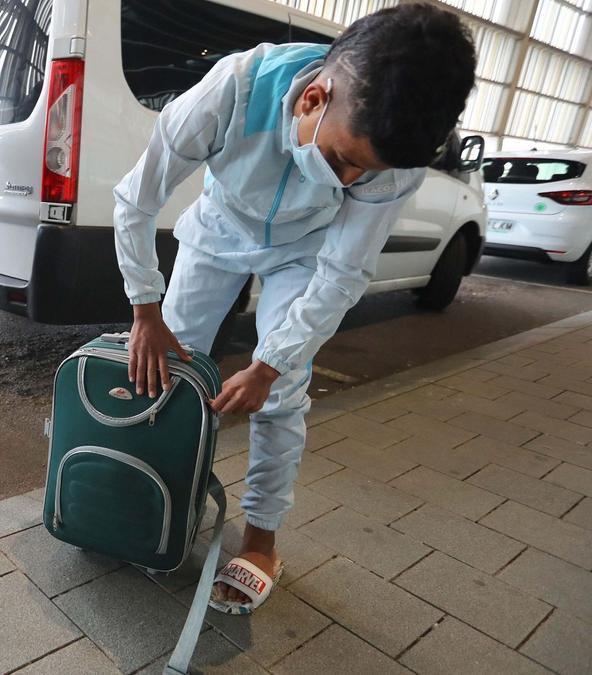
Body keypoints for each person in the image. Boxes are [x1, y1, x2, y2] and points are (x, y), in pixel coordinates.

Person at [113, 5, 475, 613]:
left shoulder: (394, 161)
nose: (349, 178)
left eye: (365, 174)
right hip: (218, 227)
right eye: (341, 159)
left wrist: (270, 364)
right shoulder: (235, 87)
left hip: (305, 250)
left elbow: (343, 273)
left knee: (281, 394)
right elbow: (135, 199)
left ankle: (260, 543)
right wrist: (145, 310)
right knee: (165, 371)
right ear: (313, 98)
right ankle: (152, 497)